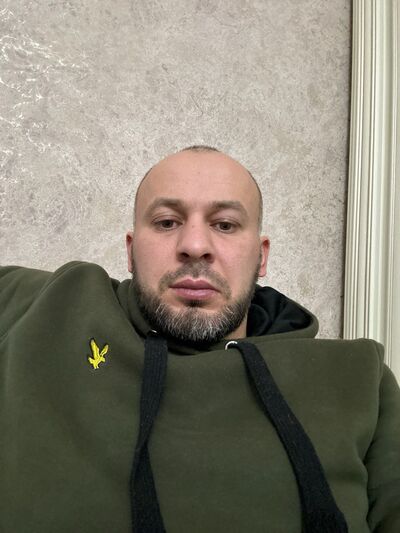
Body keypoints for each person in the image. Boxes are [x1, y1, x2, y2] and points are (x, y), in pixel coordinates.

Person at [0, 145, 399, 533]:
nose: (194, 246)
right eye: (166, 222)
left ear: (261, 256)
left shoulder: (360, 379)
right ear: (131, 251)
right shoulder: (51, 306)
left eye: (224, 225)